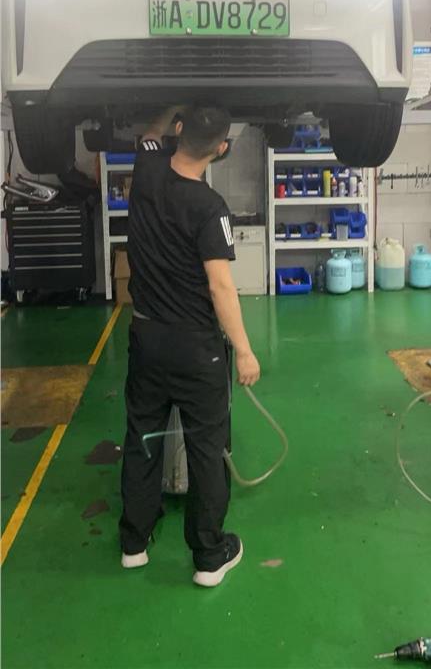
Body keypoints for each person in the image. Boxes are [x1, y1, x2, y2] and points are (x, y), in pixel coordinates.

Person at [119, 106, 260, 586]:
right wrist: (244, 350)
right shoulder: (209, 207)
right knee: (206, 448)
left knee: (142, 437)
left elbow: (148, 133)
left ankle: (134, 544)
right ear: (221, 149)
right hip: (196, 348)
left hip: (145, 337)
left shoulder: (146, 168)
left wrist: (168, 107)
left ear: (179, 131)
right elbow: (220, 286)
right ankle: (208, 557)